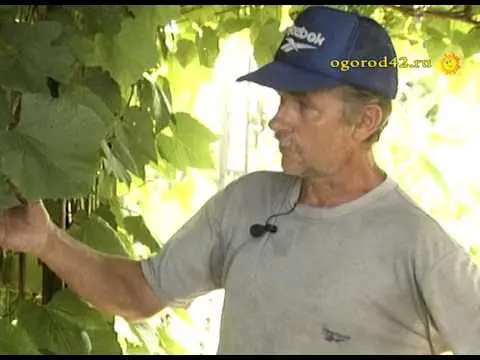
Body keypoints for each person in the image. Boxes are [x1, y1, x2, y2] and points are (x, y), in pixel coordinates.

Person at [0, 5, 479, 355]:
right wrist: (46, 241)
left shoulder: (417, 248)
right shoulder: (247, 203)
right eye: (280, 100)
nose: (277, 121)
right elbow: (140, 293)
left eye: (303, 106)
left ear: (365, 121)